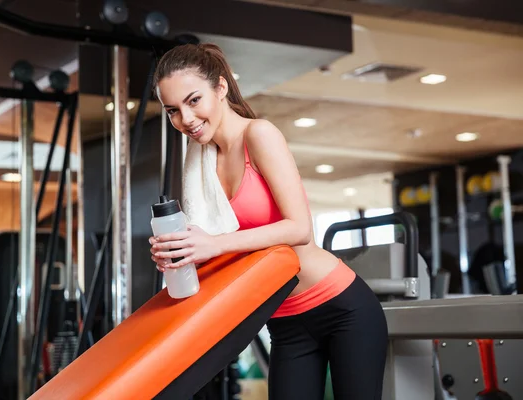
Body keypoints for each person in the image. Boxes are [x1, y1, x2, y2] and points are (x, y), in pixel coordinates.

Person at [148, 43, 388, 399]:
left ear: (220, 88)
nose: (185, 119)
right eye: (173, 110)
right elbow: (216, 251)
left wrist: (213, 244)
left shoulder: (259, 135)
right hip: (284, 319)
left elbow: (300, 229)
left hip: (342, 309)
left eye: (193, 100)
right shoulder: (201, 162)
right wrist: (181, 253)